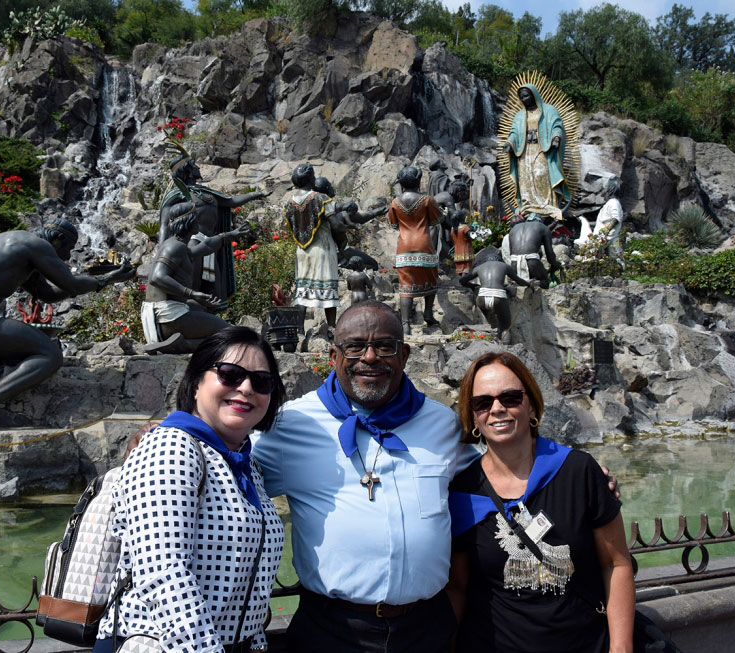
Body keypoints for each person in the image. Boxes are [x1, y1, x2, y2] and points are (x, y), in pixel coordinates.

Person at [251, 300, 475, 652]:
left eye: (384, 346)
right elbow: (227, 472)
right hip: (331, 631)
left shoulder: (442, 424)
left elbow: (494, 477)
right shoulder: (292, 424)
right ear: (334, 355)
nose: (369, 357)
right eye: (355, 346)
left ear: (404, 355)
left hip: (425, 628)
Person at [95, 326, 287, 653]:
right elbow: (163, 573)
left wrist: (254, 641)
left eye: (261, 381)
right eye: (230, 374)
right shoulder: (172, 447)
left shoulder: (245, 464)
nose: (246, 388)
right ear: (196, 382)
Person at [447, 351, 634, 653]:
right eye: (483, 402)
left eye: (510, 398)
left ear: (532, 404)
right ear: (474, 416)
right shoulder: (463, 491)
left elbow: (616, 564)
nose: (497, 409)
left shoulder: (578, 472)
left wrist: (621, 648)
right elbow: (458, 587)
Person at [0, 218, 134, 430]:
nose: (67, 257)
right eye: (68, 249)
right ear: (57, 240)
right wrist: (106, 279)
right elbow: (72, 285)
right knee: (50, 355)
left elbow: (47, 294)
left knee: (19, 355)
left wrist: (93, 281)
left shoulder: (19, 246)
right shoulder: (37, 245)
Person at [158, 154, 267, 301]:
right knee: (193, 285)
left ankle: (207, 313)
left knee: (214, 290)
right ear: (188, 170)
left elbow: (231, 201)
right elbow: (164, 225)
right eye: (194, 164)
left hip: (210, 244)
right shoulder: (177, 194)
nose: (198, 167)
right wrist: (162, 251)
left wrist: (255, 194)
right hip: (193, 243)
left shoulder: (207, 192)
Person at [142, 213, 249, 354]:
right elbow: (156, 277)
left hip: (164, 316)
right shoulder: (175, 247)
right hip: (169, 318)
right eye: (196, 219)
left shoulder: (179, 246)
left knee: (198, 307)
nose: (199, 221)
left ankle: (180, 343)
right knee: (232, 334)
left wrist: (229, 235)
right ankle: (183, 345)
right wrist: (192, 293)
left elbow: (205, 246)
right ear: (187, 222)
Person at [500, 84, 570, 221]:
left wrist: (556, 137)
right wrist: (509, 143)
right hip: (524, 151)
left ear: (534, 95)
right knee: (525, 177)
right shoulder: (519, 116)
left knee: (540, 174)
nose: (524, 99)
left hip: (542, 149)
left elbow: (557, 125)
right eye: (522, 97)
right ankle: (528, 207)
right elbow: (514, 132)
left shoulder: (549, 110)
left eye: (526, 95)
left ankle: (546, 207)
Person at [286, 164, 340, 330]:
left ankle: (299, 330)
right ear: (311, 178)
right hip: (323, 248)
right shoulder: (321, 198)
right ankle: (331, 329)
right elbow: (336, 225)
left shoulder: (289, 202)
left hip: (302, 251)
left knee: (302, 290)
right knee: (328, 289)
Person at [389, 165, 443, 329]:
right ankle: (428, 313)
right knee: (430, 279)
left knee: (405, 286)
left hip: (404, 247)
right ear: (418, 181)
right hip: (424, 244)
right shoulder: (427, 200)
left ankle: (405, 324)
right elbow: (437, 219)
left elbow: (394, 224)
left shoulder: (395, 202)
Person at [459, 252, 536, 339]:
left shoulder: (479, 267)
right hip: (498, 297)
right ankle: (506, 345)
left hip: (481, 298)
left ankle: (487, 340)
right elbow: (519, 281)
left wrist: (473, 286)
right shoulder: (504, 266)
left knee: (486, 325)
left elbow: (462, 281)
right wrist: (529, 284)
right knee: (505, 327)